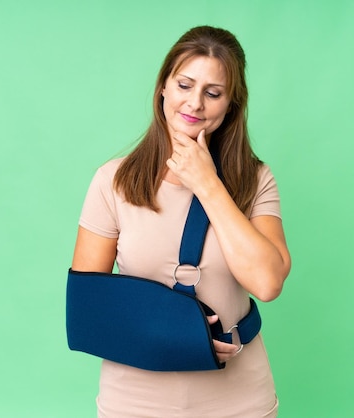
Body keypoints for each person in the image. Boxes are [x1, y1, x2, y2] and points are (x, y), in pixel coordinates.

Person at [71, 25, 291, 417]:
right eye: (184, 85)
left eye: (213, 92)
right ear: (163, 89)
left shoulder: (256, 180)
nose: (195, 104)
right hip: (134, 401)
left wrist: (208, 185)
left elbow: (267, 282)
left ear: (231, 105)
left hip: (239, 400)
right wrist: (181, 338)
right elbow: (89, 311)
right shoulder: (114, 181)